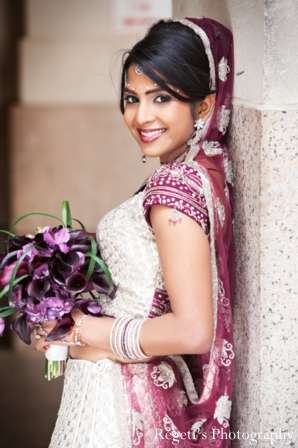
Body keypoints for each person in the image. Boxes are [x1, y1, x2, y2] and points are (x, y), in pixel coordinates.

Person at [34, 17, 235, 447]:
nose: (141, 116)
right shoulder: (198, 173)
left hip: (123, 404)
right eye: (132, 98)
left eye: (161, 97)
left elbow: (193, 330)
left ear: (203, 106)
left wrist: (82, 331)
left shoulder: (172, 188)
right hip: (119, 390)